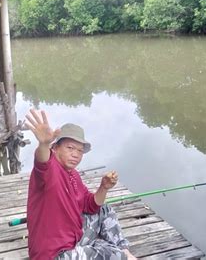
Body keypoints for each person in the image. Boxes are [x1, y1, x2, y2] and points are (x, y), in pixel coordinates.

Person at [25, 109, 137, 260]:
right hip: (55, 254)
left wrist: (103, 187)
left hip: (72, 239)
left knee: (104, 209)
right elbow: (42, 161)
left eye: (80, 151)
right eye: (70, 148)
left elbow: (90, 205)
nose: (76, 154)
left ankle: (125, 252)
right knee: (107, 253)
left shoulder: (73, 175)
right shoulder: (49, 169)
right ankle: (121, 255)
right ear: (55, 147)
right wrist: (43, 144)